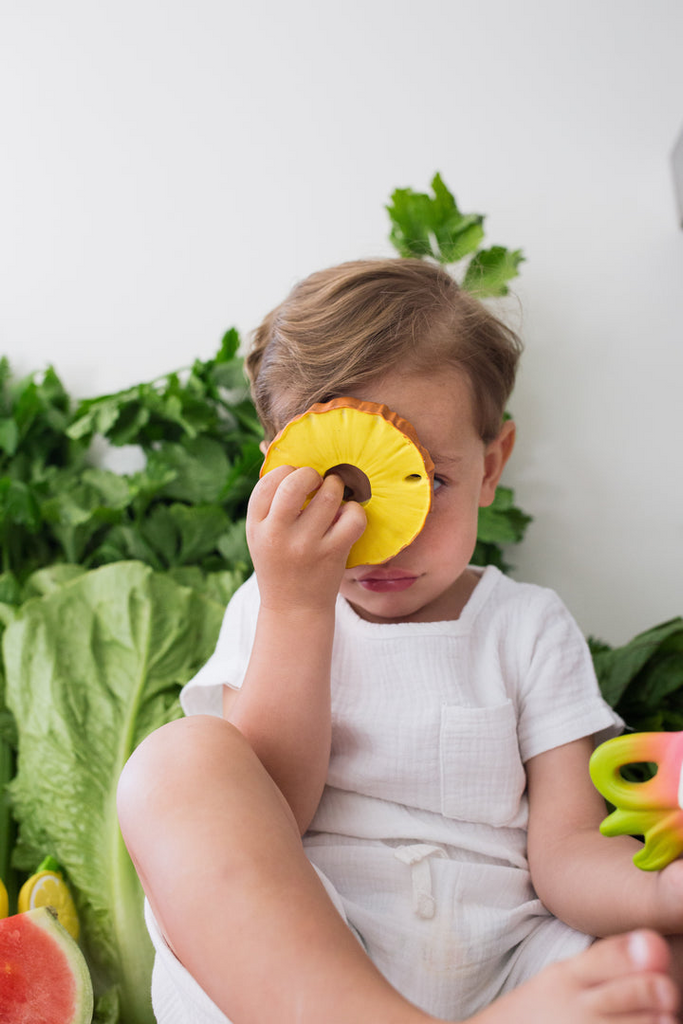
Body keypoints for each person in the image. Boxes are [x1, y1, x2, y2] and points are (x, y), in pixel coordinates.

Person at [118, 259, 682, 1024]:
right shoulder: (268, 607)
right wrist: (297, 608)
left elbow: (565, 855)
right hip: (301, 978)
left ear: (491, 467)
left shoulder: (526, 625)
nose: (383, 534)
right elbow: (274, 809)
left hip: (511, 976)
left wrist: (658, 893)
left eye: (429, 483)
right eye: (339, 489)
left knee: (654, 967)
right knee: (176, 764)